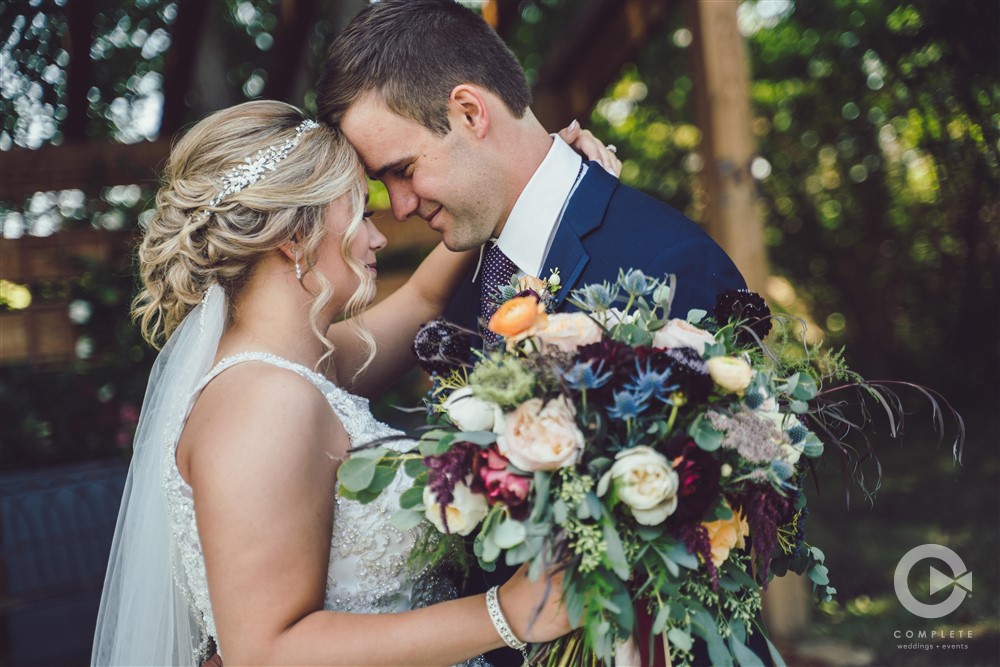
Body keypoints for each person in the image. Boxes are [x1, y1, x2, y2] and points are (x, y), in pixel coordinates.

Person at [91, 100, 617, 666]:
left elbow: (423, 300)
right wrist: (506, 613)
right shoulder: (264, 403)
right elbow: (266, 652)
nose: (378, 237)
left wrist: (535, 181)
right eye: (361, 213)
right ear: (295, 235)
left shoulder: (303, 364)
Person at [318, 2, 753, 664]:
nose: (399, 206)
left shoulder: (668, 265)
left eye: (401, 170)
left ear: (470, 112)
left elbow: (727, 535)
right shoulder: (469, 269)